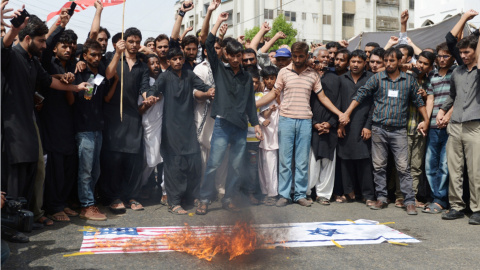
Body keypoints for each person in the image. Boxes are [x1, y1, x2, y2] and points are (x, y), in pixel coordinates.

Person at [1, 11, 88, 219]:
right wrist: (14, 29)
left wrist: (76, 88)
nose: (44, 45)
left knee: (30, 173)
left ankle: (24, 219)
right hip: (10, 129)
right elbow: (4, 46)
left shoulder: (33, 61)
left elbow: (49, 81)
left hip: (29, 125)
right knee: (13, 176)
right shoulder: (11, 55)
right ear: (28, 38)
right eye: (41, 41)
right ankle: (9, 223)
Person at [257, 41, 348, 207]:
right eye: (295, 56)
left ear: (307, 56)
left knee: (301, 161)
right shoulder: (283, 72)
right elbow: (273, 93)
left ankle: (299, 194)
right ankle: (284, 195)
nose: (297, 59)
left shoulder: (312, 75)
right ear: (292, 55)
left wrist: (340, 113)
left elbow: (323, 98)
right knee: (285, 161)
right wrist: (253, 105)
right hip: (286, 120)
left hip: (306, 121)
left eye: (301, 56)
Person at [342, 48, 429, 215]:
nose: (388, 64)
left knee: (403, 167)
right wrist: (347, 112)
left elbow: (419, 101)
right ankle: (381, 198)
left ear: (399, 62)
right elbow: (361, 94)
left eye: (392, 61)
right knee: (379, 166)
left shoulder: (409, 81)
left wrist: (425, 120)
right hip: (379, 128)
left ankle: (409, 200)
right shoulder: (378, 78)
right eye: (386, 61)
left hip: (399, 131)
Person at [195, 10, 262, 215]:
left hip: (241, 126)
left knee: (235, 167)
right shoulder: (219, 69)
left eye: (238, 55)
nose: (234, 59)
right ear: (226, 54)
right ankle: (204, 199)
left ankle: (229, 198)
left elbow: (250, 103)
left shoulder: (246, 77)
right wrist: (217, 21)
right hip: (223, 125)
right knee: (213, 165)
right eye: (231, 55)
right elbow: (207, 43)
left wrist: (256, 125)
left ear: (242, 56)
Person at [145, 47, 213, 214]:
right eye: (173, 59)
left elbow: (202, 85)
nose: (177, 61)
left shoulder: (189, 74)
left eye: (179, 59)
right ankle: (174, 202)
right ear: (168, 62)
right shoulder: (165, 76)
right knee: (174, 164)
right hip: (171, 127)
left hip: (188, 126)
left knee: (193, 161)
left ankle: (192, 197)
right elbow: (154, 89)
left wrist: (209, 91)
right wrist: (150, 96)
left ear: (183, 60)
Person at [102, 27, 149, 213]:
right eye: (131, 41)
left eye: (138, 42)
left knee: (133, 158)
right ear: (124, 42)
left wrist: (148, 97)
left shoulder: (142, 66)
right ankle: (113, 197)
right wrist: (117, 53)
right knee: (113, 158)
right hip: (113, 115)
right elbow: (107, 74)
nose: (135, 45)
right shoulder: (113, 58)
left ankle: (131, 196)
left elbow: (144, 87)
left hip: (133, 115)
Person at [439, 35, 480, 225]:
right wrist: (442, 110)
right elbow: (452, 96)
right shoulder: (456, 72)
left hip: (475, 126)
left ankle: (477, 209)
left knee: (475, 171)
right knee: (454, 169)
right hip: (455, 125)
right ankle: (456, 206)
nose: (463, 55)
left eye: (467, 52)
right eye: (461, 52)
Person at [39, 29, 78, 223]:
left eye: (71, 46)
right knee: (54, 167)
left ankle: (62, 203)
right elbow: (44, 80)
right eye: (63, 46)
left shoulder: (72, 65)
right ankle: (53, 206)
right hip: (50, 120)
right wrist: (61, 24)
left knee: (68, 164)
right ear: (54, 49)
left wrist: (70, 81)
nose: (68, 49)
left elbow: (71, 101)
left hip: (68, 121)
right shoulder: (47, 62)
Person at [70, 39, 111, 221]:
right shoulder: (78, 71)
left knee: (96, 170)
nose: (96, 58)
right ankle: (86, 205)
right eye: (92, 55)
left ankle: (89, 201)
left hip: (97, 128)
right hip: (83, 128)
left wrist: (115, 79)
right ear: (84, 55)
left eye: (99, 54)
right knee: (85, 170)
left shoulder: (102, 71)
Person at [337, 50, 375, 206]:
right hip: (344, 124)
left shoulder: (371, 79)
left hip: (363, 124)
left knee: (364, 160)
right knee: (345, 159)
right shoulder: (341, 79)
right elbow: (337, 102)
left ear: (365, 63)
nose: (355, 64)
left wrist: (368, 126)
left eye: (359, 62)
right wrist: (339, 123)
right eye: (353, 61)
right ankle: (348, 192)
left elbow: (374, 105)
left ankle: (367, 194)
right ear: (348, 63)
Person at [422, 42, 455, 214]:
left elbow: (457, 98)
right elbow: (430, 100)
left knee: (444, 164)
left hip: (450, 126)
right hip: (434, 126)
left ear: (453, 57)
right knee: (430, 164)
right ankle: (436, 198)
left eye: (446, 56)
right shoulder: (432, 75)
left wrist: (447, 116)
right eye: (439, 56)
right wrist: (427, 121)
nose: (441, 59)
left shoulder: (456, 73)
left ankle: (441, 199)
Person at [307, 56, 341, 206]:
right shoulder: (308, 77)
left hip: (330, 127)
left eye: (327, 57)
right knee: (311, 162)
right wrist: (314, 123)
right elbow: (304, 102)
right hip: (311, 126)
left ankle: (323, 194)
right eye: (321, 58)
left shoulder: (335, 79)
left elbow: (340, 102)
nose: (324, 60)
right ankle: (307, 192)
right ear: (314, 59)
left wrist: (331, 123)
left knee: (328, 162)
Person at [406, 50, 435, 207]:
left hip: (420, 128)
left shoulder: (431, 82)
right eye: (420, 62)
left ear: (430, 67)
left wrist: (425, 95)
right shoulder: (406, 77)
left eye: (425, 64)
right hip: (404, 126)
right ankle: (400, 196)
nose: (421, 66)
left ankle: (413, 197)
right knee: (402, 165)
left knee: (416, 165)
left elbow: (432, 100)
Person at [137, 54, 165, 202]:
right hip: (148, 124)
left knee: (164, 158)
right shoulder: (144, 83)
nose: (155, 65)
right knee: (149, 160)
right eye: (151, 63)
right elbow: (139, 109)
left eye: (157, 62)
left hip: (163, 124)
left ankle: (164, 189)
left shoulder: (164, 80)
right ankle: (139, 186)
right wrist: (148, 103)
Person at [258, 66, 279, 206]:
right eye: (267, 78)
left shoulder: (279, 93)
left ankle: (272, 193)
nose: (270, 81)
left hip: (276, 133)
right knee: (263, 165)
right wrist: (261, 120)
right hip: (263, 133)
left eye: (272, 78)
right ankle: (264, 192)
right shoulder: (261, 94)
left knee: (271, 165)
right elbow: (258, 113)